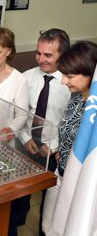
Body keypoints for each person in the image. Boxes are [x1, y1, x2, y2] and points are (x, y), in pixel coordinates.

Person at [10, 28, 71, 236]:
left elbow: (67, 122)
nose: (41, 59)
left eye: (48, 55)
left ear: (62, 55)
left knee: (50, 202)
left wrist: (52, 146)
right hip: (24, 146)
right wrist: (25, 138)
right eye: (38, 53)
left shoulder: (69, 84)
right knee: (19, 197)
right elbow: (19, 113)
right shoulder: (25, 78)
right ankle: (17, 224)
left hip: (52, 152)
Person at [42, 41, 97, 235]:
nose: (64, 81)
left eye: (70, 76)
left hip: (83, 186)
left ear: (91, 74)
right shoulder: (75, 95)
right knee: (49, 228)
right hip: (61, 174)